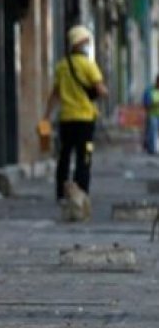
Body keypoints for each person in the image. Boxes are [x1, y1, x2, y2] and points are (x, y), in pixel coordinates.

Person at [43, 24, 108, 202]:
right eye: (86, 41)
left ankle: (61, 193)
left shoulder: (61, 67)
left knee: (64, 156)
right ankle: (81, 193)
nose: (87, 44)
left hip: (66, 119)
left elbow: (54, 94)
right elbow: (101, 90)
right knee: (84, 157)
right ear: (79, 43)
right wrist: (100, 92)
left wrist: (46, 116)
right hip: (85, 120)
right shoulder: (88, 66)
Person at [143, 74, 159, 155]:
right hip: (152, 114)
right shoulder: (150, 90)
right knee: (153, 131)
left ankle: (153, 147)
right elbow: (146, 103)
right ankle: (152, 149)